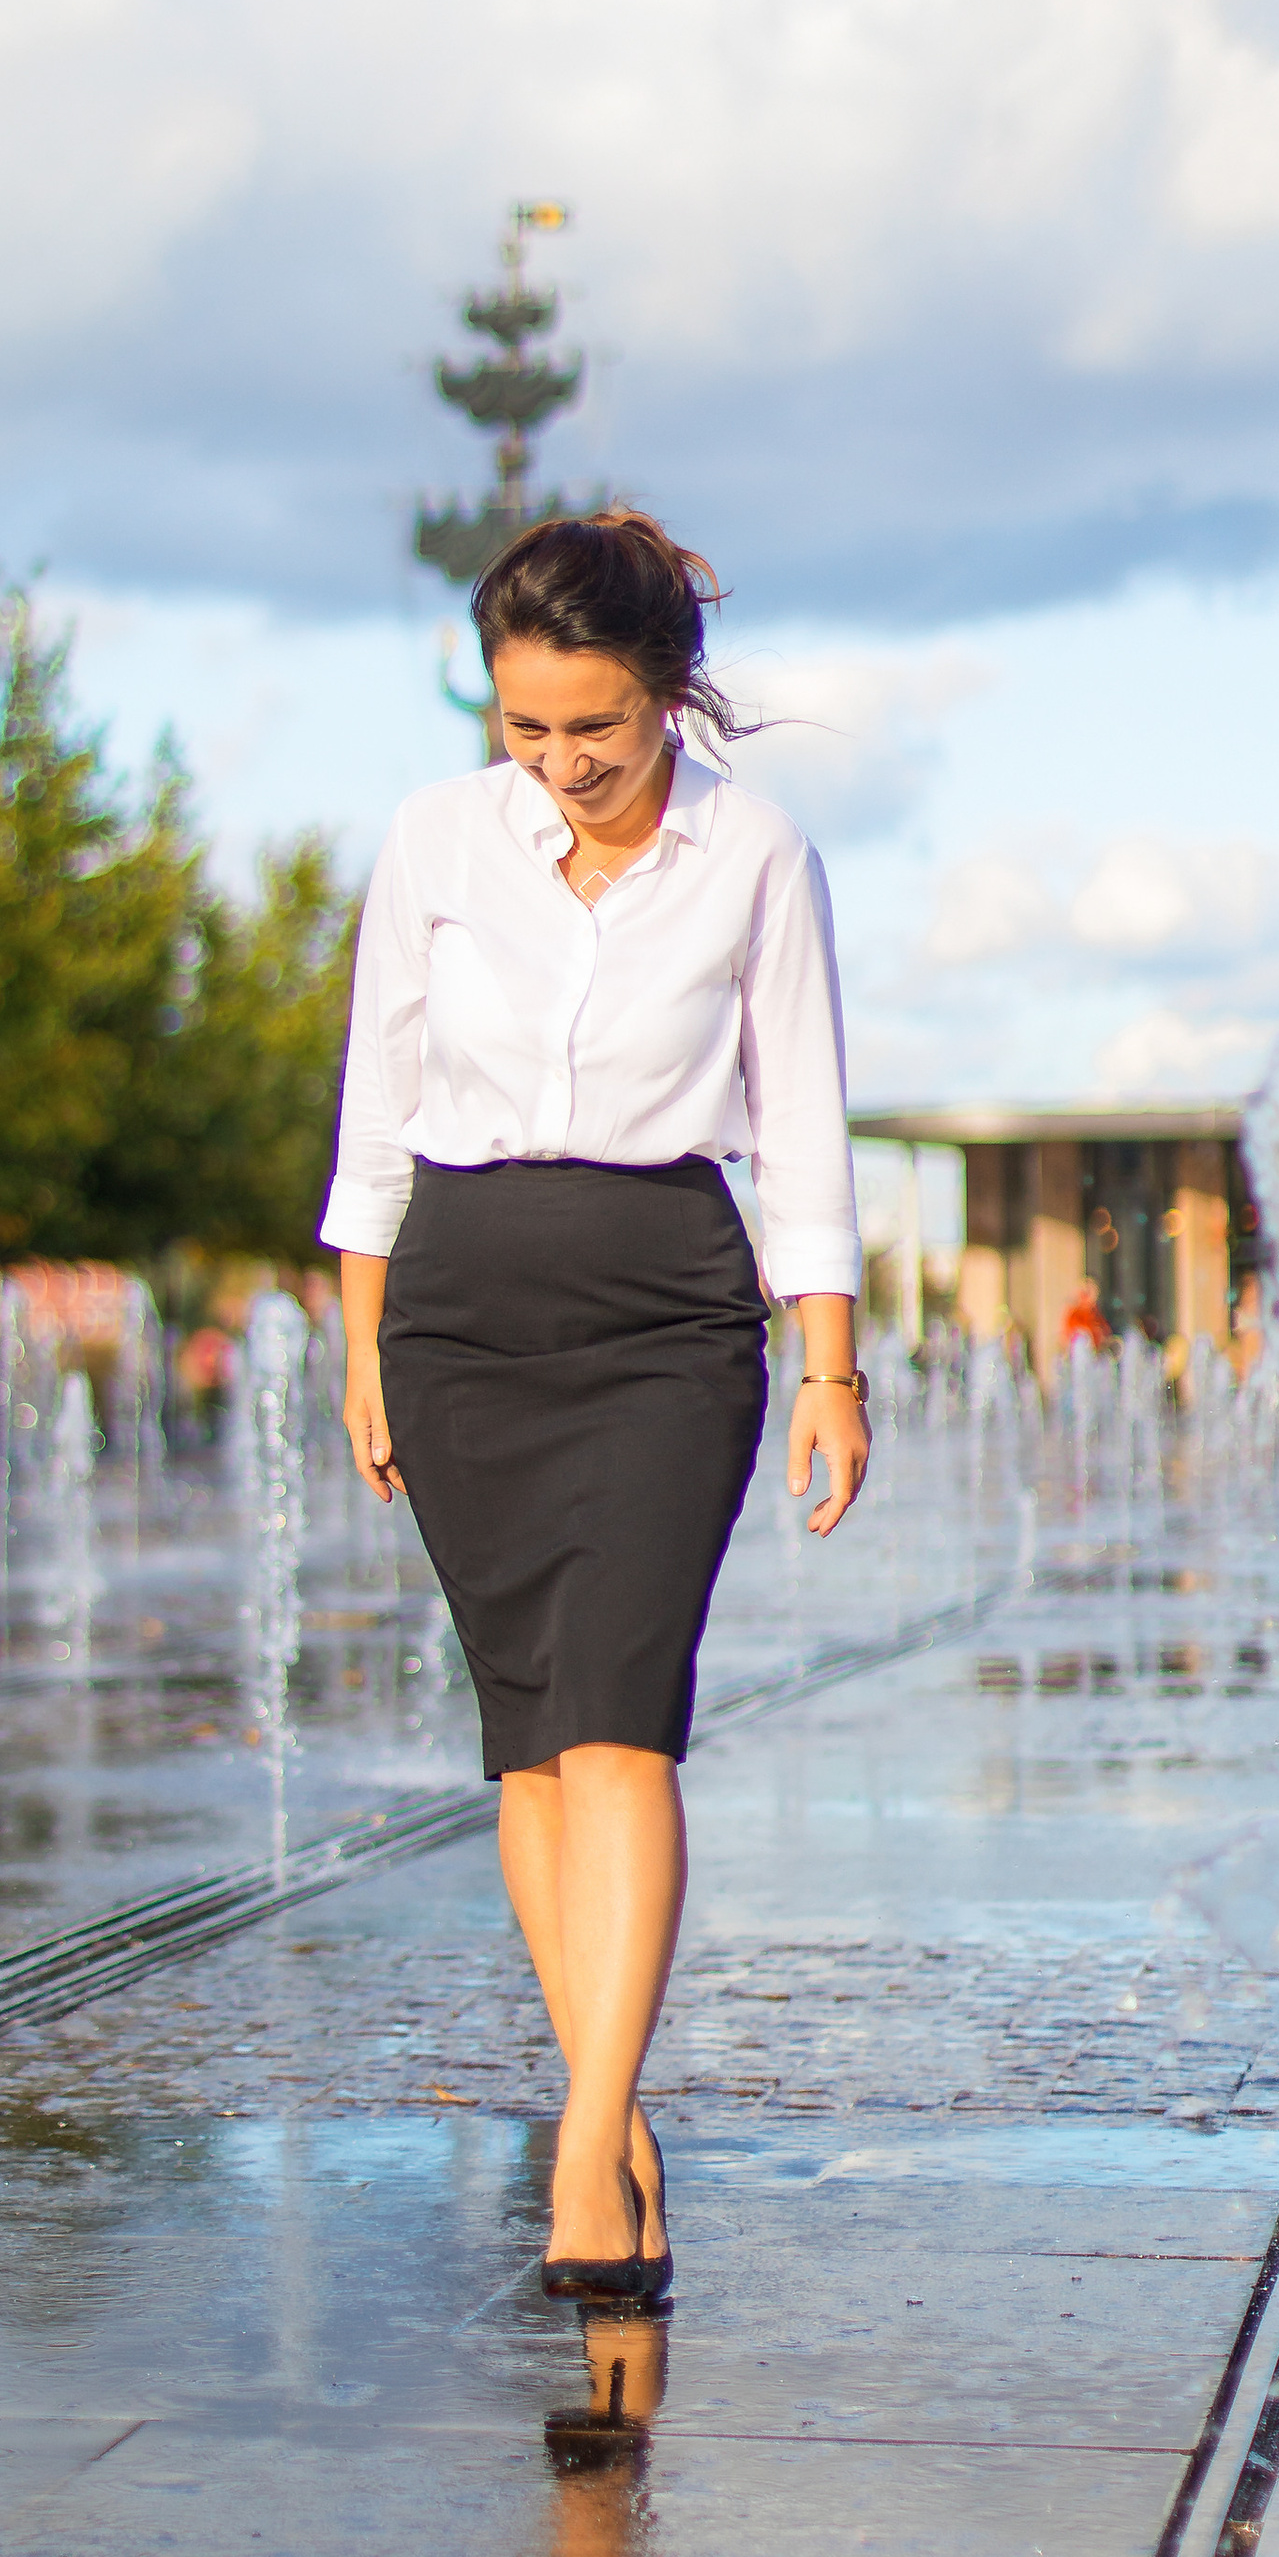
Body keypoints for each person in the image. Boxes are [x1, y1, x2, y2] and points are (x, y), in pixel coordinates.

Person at [324, 511, 869, 2306]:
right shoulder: (431, 841)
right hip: (463, 1312)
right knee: (535, 1742)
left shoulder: (756, 855)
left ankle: (582, 2137)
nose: (560, 767)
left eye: (597, 733)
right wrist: (359, 1348)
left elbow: (802, 1122)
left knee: (624, 1718)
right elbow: (376, 1112)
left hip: (662, 1309)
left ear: (666, 699)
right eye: (526, 729)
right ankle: (607, 2108)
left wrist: (831, 1362)